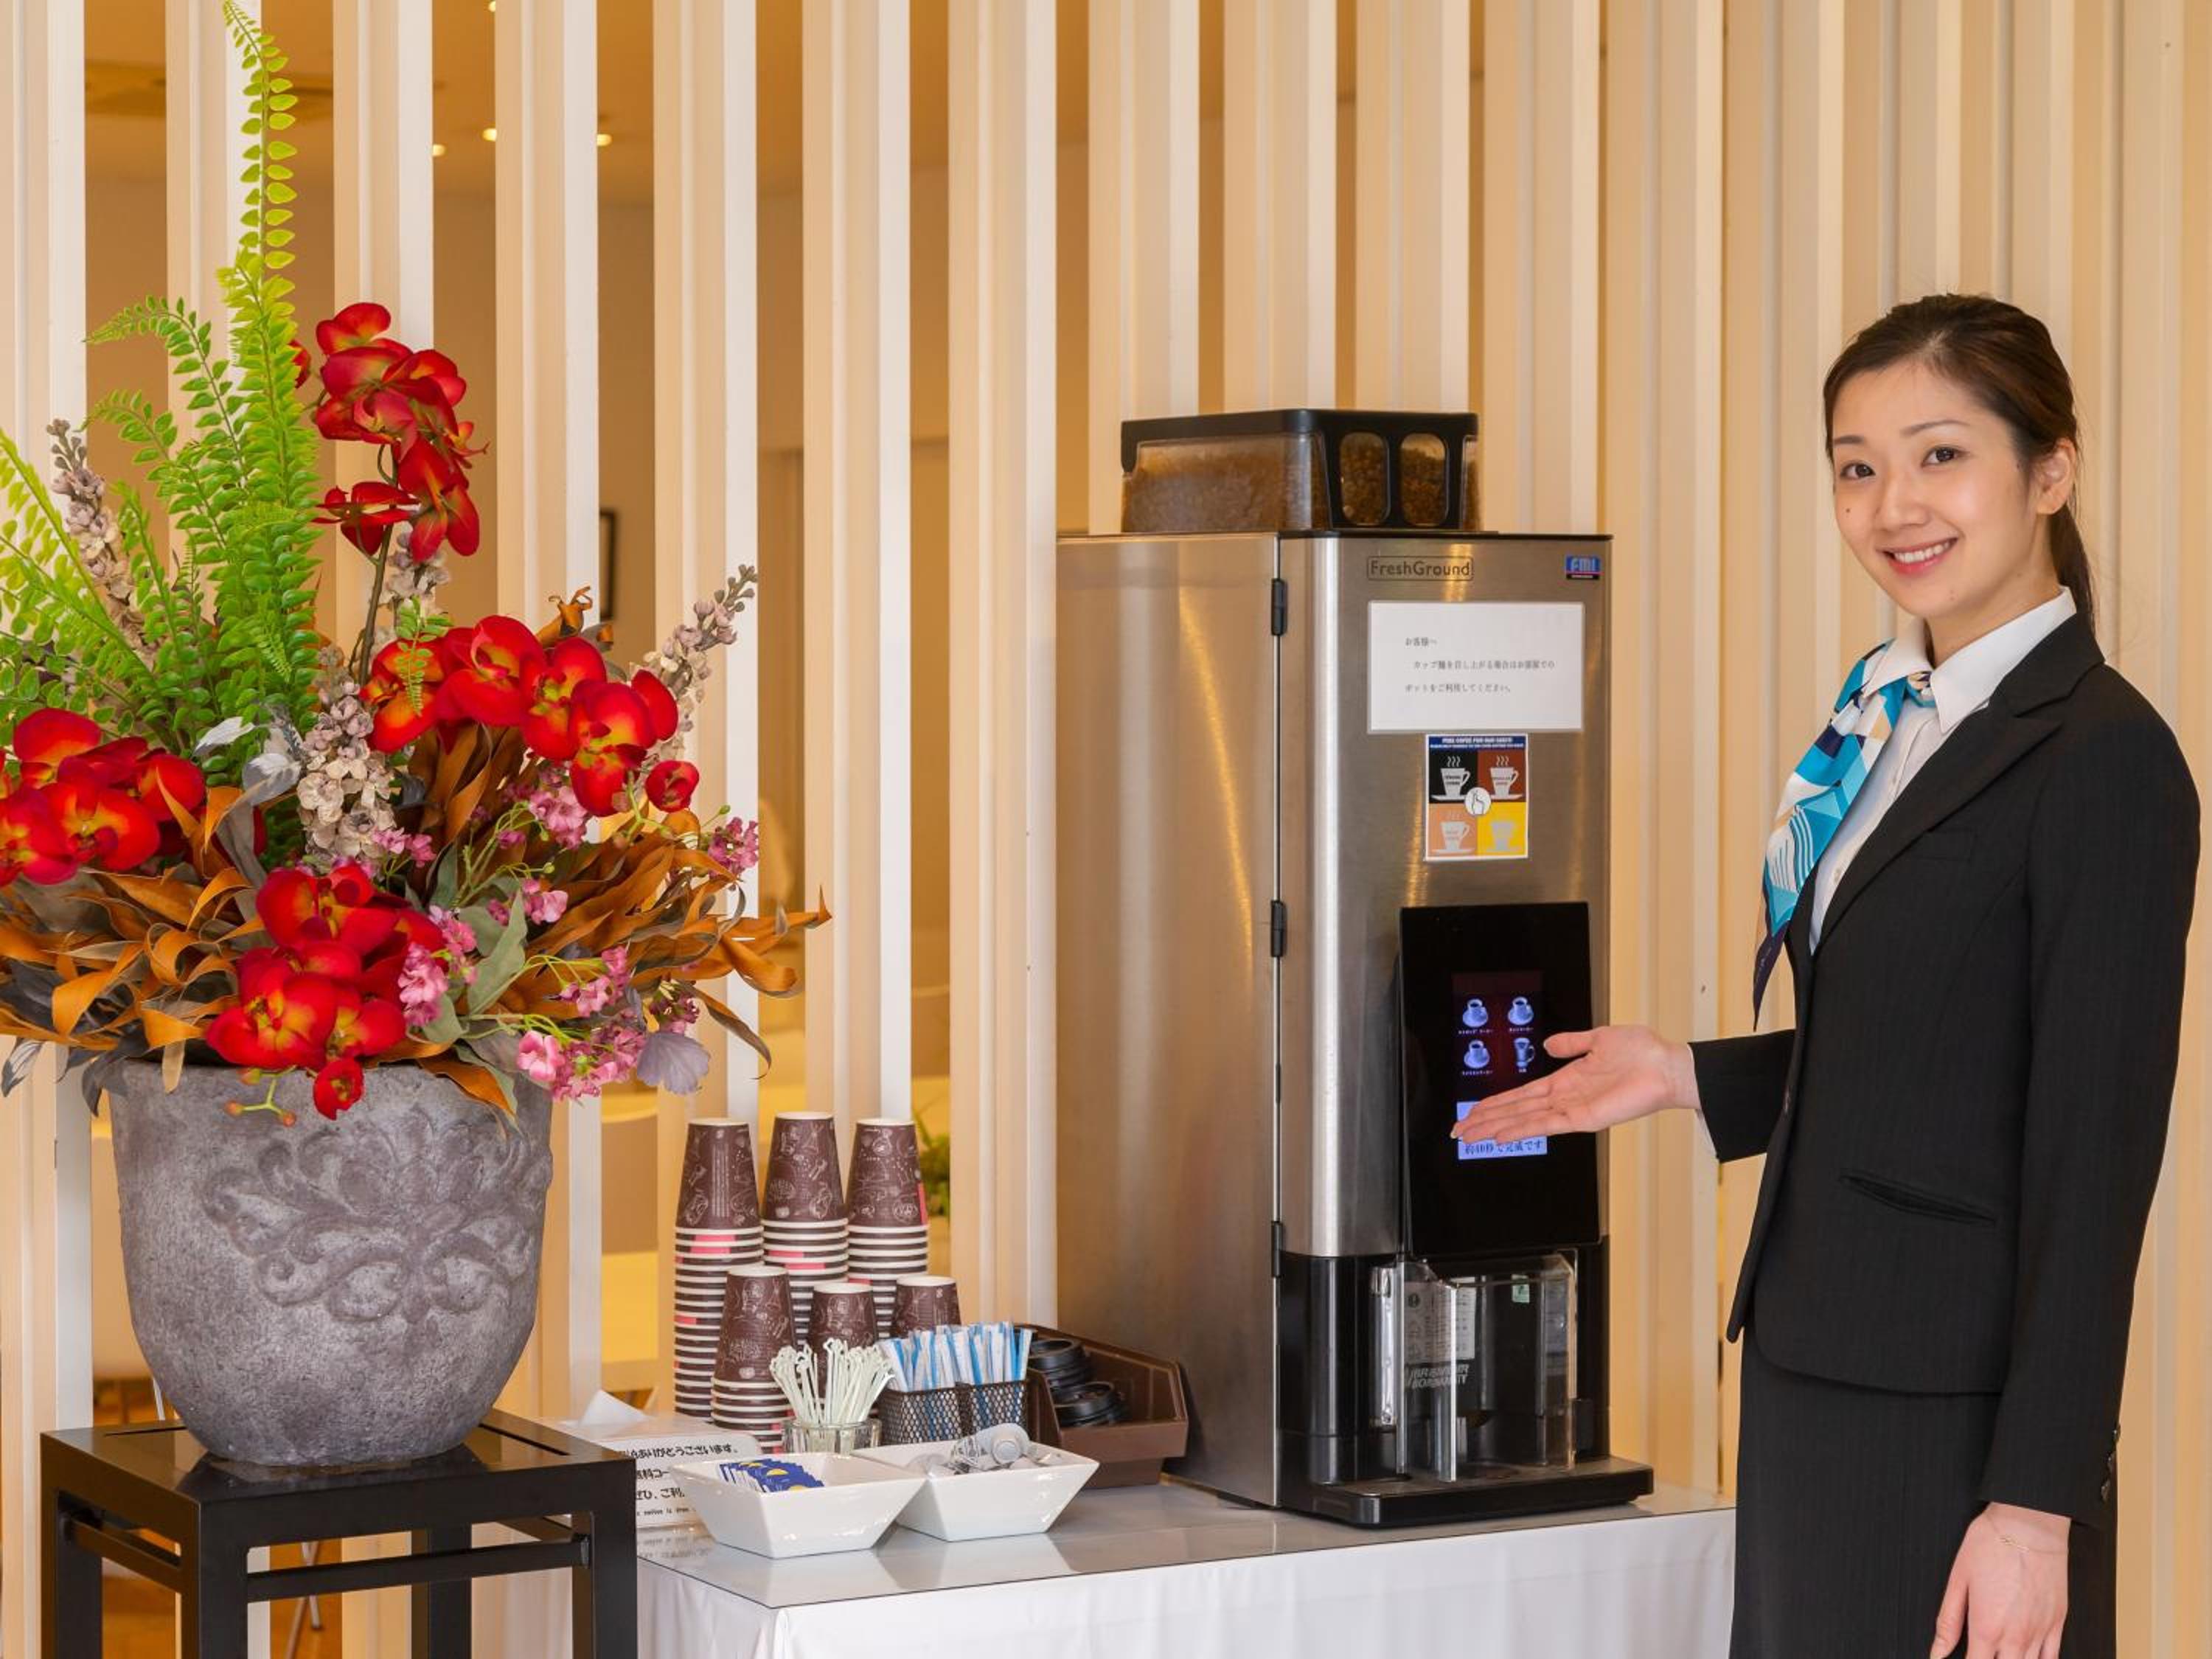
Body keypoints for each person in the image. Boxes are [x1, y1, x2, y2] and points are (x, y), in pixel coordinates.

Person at [1452, 293, 2198, 1659]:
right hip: (1813, 1366)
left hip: (1956, 1416)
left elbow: (2095, 1156)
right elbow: (1935, 1039)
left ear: (2051, 470)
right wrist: (1690, 1075)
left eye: (1939, 455)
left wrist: (2036, 1507)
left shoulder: (2105, 759)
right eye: (1858, 467)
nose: (1892, 506)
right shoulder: (1883, 718)